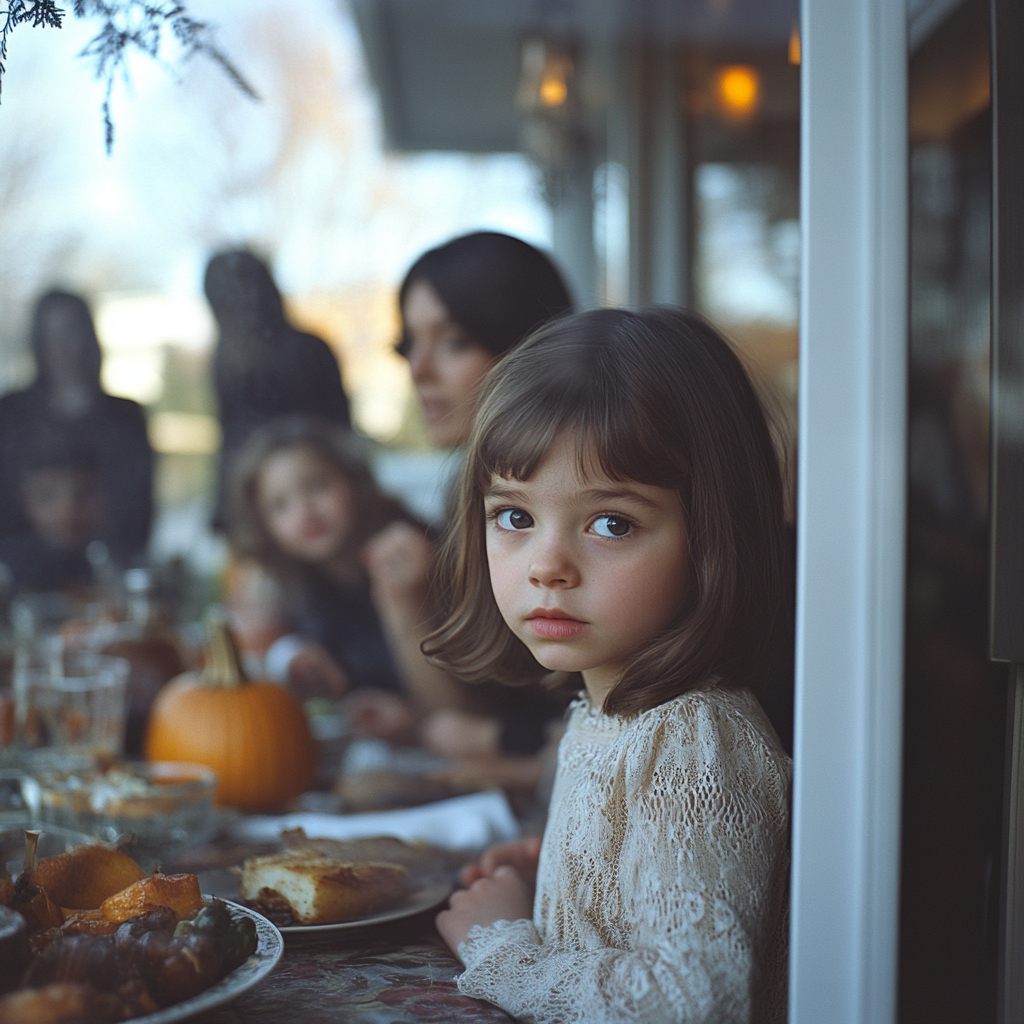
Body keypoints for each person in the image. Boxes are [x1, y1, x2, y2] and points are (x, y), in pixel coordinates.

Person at [429, 308, 793, 1023]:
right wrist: (558, 884)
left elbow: (693, 1001)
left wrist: (500, 944)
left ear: (712, 535)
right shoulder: (611, 712)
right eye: (515, 516)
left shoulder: (693, 740)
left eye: (612, 523)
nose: (548, 567)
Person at [365, 232, 574, 758]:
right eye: (410, 343)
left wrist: (497, 744)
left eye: (454, 341)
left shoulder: (574, 493)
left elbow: (606, 731)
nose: (418, 370)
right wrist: (402, 601)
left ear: (527, 344)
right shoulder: (467, 488)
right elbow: (461, 719)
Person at [226, 417, 410, 703]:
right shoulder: (299, 579)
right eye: (280, 505)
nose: (304, 512)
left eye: (317, 486)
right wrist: (290, 656)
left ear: (353, 481)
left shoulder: (407, 554)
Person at [0, 290, 153, 567]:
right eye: (51, 335)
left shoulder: (125, 416)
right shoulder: (11, 413)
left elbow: (138, 507)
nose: (62, 346)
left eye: (70, 331)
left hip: (107, 567)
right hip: (24, 567)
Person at [206, 250, 351, 531]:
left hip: (315, 490)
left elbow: (340, 432)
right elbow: (229, 436)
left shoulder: (310, 351)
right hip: (259, 502)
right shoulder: (227, 364)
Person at [0, 429, 104, 592]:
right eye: (46, 496)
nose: (67, 511)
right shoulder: (6, 576)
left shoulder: (109, 568)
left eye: (84, 493)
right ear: (24, 502)